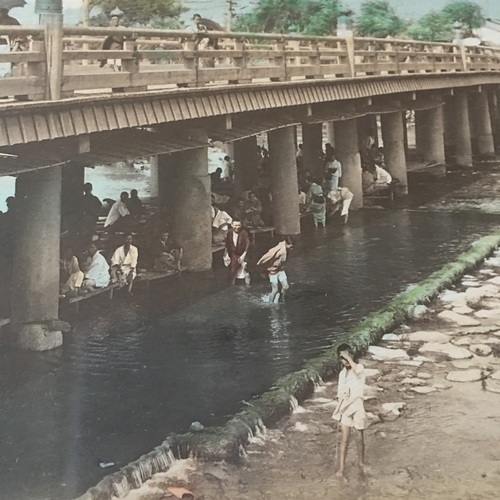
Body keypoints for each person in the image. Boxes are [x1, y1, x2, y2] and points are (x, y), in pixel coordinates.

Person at [331, 343, 367, 479]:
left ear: (351, 355)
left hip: (357, 405)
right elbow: (340, 391)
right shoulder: (342, 374)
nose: (344, 361)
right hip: (346, 407)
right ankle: (341, 468)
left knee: (359, 437)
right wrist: (340, 397)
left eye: (346, 357)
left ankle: (361, 462)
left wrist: (349, 358)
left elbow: (357, 370)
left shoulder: (359, 368)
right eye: (342, 358)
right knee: (344, 439)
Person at [257, 238, 293, 303]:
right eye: (291, 246)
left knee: (286, 286)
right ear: (287, 244)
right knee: (275, 290)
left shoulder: (286, 248)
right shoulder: (279, 250)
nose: (292, 248)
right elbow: (269, 255)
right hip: (272, 271)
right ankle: (270, 303)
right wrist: (260, 264)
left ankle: (281, 298)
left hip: (280, 269)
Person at [224, 219, 250, 285]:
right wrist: (226, 254)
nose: (237, 227)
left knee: (246, 270)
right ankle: (232, 287)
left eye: (239, 225)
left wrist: (244, 255)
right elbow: (227, 244)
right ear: (232, 225)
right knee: (232, 271)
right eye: (235, 225)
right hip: (234, 253)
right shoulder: (229, 232)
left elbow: (248, 244)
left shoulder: (244, 233)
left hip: (243, 252)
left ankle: (248, 286)